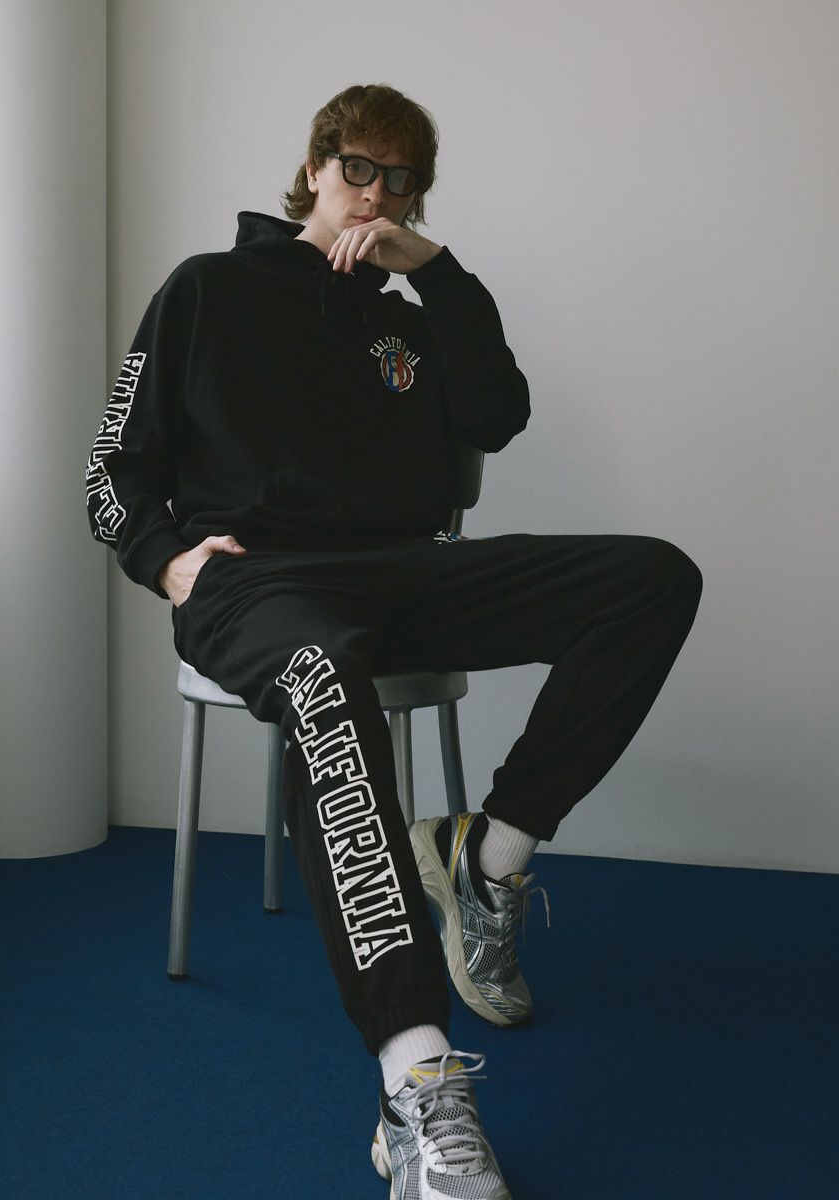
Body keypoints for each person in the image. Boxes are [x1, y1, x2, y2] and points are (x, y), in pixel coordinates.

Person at [86, 82, 702, 1199]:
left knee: (651, 579)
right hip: (256, 582)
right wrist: (167, 560)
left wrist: (440, 272)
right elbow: (108, 472)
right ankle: (415, 1081)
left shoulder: (410, 320)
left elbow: (499, 416)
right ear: (314, 169)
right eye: (357, 169)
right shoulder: (206, 289)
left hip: (404, 570)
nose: (375, 194)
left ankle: (488, 858)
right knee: (326, 678)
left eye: (400, 179)